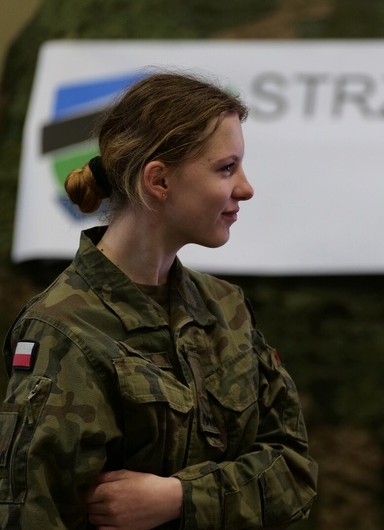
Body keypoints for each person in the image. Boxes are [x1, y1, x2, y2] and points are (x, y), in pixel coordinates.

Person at [0, 72, 317, 529]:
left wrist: (179, 498)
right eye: (226, 168)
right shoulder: (64, 330)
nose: (245, 188)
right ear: (159, 180)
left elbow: (294, 472)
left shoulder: (225, 307)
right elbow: (32, 515)